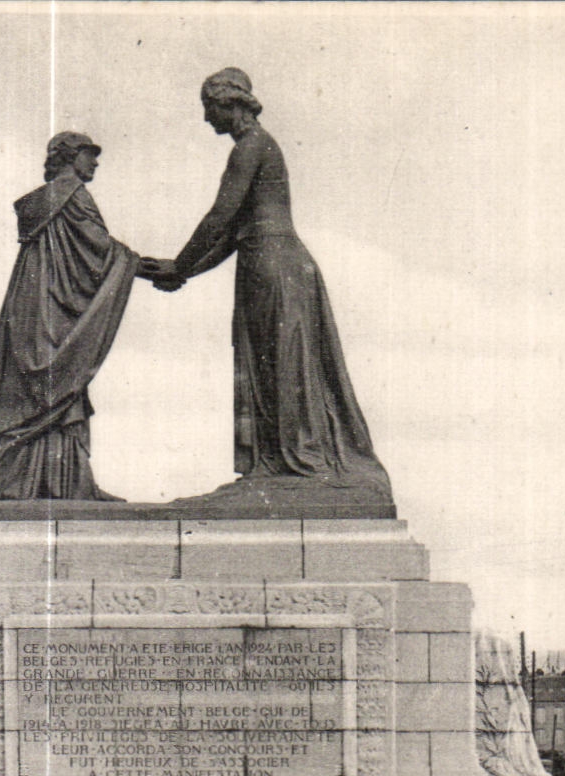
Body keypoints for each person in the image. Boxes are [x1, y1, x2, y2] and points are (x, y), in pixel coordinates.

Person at [147, 69, 393, 497]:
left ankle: (297, 463)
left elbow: (220, 218)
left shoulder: (251, 147)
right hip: (268, 263)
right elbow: (231, 234)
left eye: (209, 108)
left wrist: (178, 267)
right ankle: (279, 461)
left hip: (275, 266)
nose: (207, 119)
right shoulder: (255, 146)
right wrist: (182, 270)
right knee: (272, 362)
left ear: (230, 103)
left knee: (283, 362)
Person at [0, 131, 161, 501]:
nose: (95, 162)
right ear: (69, 157)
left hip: (33, 309)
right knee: (61, 386)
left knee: (53, 391)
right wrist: (152, 269)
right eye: (89, 154)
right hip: (50, 314)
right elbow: (100, 251)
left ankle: (61, 484)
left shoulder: (50, 200)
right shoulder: (73, 196)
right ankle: (56, 486)